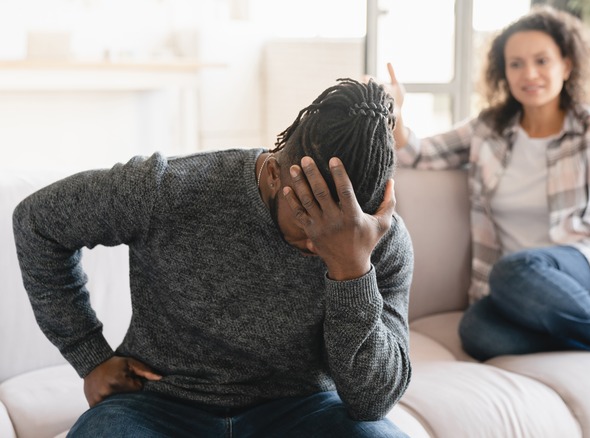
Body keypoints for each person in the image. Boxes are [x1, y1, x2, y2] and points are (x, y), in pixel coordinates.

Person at [13, 78, 413, 437]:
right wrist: (90, 355)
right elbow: (37, 221)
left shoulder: (383, 242)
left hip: (302, 410)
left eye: (342, 230)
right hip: (157, 407)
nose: (319, 244)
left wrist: (351, 270)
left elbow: (370, 403)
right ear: (275, 173)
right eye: (309, 218)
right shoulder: (166, 189)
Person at [386, 5, 590, 384]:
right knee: (478, 330)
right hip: (521, 292)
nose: (529, 73)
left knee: (518, 267)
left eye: (541, 61)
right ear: (504, 72)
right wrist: (396, 112)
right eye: (516, 64)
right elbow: (417, 152)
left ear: (566, 65)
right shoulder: (488, 130)